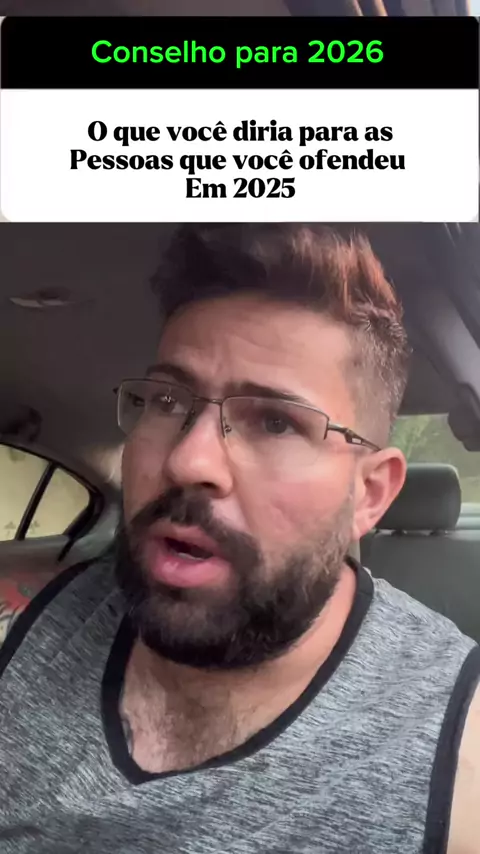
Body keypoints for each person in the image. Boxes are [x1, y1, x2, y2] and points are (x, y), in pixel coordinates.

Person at [0, 223, 479, 854]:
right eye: (168, 401)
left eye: (275, 422)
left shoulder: (457, 749)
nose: (188, 462)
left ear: (368, 494)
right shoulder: (51, 616)